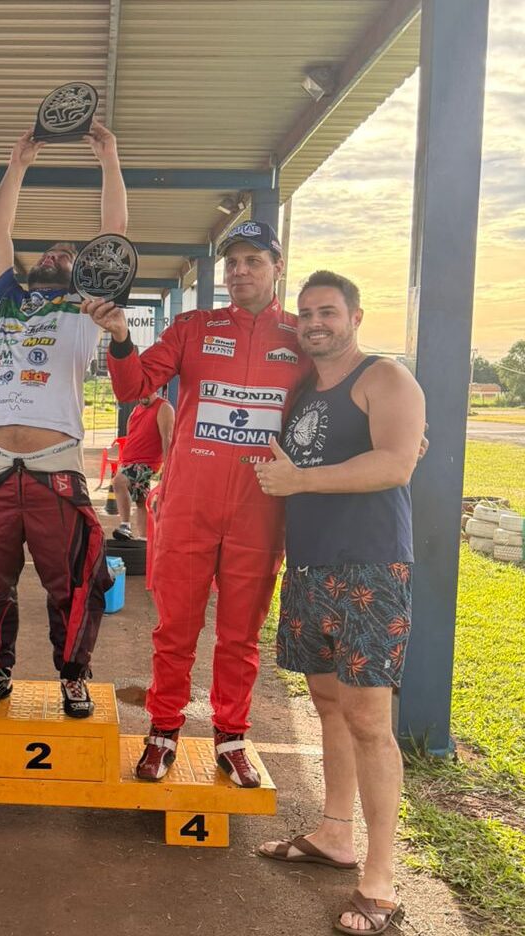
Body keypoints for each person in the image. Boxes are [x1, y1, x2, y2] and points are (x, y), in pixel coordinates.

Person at [87, 220, 312, 785]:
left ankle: (231, 736)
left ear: (277, 267)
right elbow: (133, 386)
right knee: (175, 630)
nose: (239, 271)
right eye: (232, 262)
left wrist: (394, 423)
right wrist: (120, 337)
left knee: (240, 636)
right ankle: (163, 729)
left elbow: (345, 391)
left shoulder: (301, 337)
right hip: (189, 505)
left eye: (253, 261)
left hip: (260, 512)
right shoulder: (193, 328)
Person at [255, 271, 423, 936]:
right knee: (326, 702)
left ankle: (380, 880)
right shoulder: (305, 391)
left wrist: (299, 480)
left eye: (327, 311)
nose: (314, 323)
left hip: (369, 567)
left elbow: (396, 464)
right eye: (305, 313)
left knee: (368, 720)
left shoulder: (384, 377)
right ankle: (334, 833)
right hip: (311, 565)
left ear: (355, 316)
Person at [0, 123, 123, 717]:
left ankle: (73, 675)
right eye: (48, 252)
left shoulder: (84, 310)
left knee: (73, 580)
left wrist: (109, 161)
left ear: (82, 275)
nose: (54, 255)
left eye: (66, 256)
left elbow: (114, 238)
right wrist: (16, 166)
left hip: (55, 468)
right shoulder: (4, 303)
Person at [110, 389, 174, 539]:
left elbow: (167, 439)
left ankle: (125, 526)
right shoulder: (135, 410)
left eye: (147, 391)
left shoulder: (163, 407)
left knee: (118, 482)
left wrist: (168, 468)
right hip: (128, 461)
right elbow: (131, 436)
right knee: (141, 502)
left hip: (145, 463)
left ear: (155, 389)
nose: (143, 395)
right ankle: (145, 539)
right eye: (140, 392)